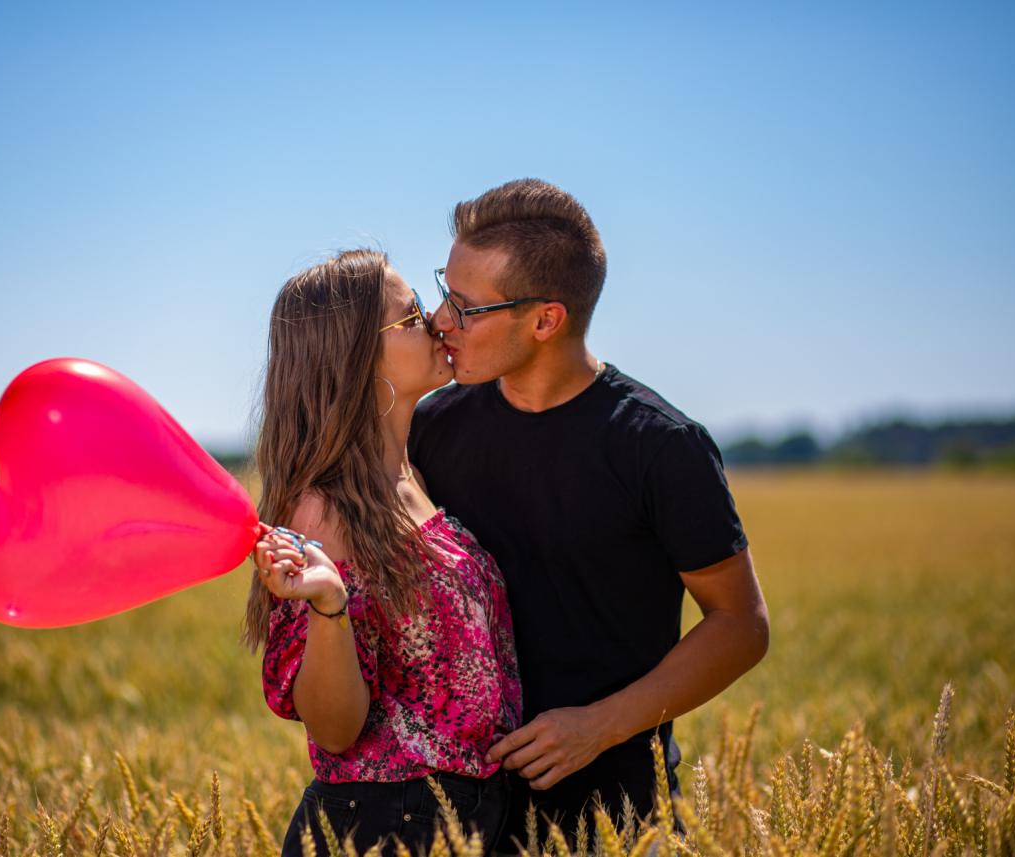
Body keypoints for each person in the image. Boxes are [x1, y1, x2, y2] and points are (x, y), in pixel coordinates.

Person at [408, 178, 771, 853]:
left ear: (545, 320)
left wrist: (599, 726)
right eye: (442, 292)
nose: (439, 319)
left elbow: (742, 624)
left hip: (620, 815)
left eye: (466, 306)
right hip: (456, 812)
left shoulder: (661, 446)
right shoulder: (429, 429)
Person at [240, 248, 524, 857]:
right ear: (354, 355)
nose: (440, 321)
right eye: (413, 315)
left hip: (459, 817)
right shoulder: (321, 509)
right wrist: (329, 608)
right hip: (386, 824)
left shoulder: (411, 475)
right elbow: (336, 730)